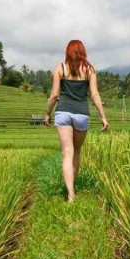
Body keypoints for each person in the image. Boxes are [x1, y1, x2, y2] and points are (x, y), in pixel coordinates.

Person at [44, 39, 109, 202]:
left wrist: (47, 113)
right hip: (81, 114)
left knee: (67, 153)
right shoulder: (90, 70)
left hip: (63, 112)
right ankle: (73, 189)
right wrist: (103, 117)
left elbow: (53, 95)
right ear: (83, 52)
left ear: (67, 52)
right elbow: (95, 95)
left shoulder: (60, 68)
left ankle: (70, 195)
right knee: (76, 152)